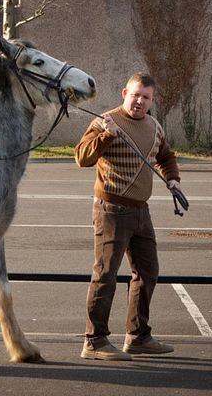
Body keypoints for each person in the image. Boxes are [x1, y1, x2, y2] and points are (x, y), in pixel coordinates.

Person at [75, 72, 182, 360]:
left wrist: (172, 179)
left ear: (151, 100)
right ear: (124, 93)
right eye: (135, 95)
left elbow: (166, 155)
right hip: (110, 210)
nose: (139, 101)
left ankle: (137, 336)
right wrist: (107, 135)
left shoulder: (154, 126)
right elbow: (82, 156)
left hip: (140, 211)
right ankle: (94, 341)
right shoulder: (105, 121)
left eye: (145, 97)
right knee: (105, 275)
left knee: (148, 273)